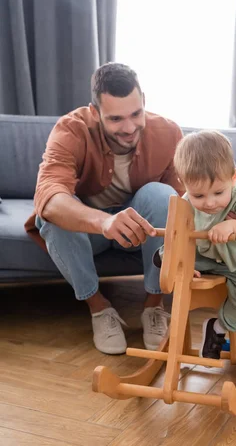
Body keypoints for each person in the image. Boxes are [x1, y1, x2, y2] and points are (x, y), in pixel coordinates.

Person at [25, 63, 184, 355]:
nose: (129, 127)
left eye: (136, 114)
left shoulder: (169, 133)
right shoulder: (71, 129)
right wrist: (104, 223)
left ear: (144, 101)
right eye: (116, 119)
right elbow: (49, 196)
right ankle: (99, 309)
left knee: (165, 197)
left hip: (143, 234)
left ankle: (154, 307)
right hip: (91, 235)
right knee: (51, 217)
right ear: (95, 113)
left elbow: (187, 204)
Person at [153, 130, 236, 359]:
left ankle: (217, 328)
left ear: (233, 177)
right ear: (183, 184)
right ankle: (166, 256)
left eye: (218, 192)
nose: (209, 203)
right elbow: (179, 234)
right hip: (205, 256)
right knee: (175, 247)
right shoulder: (185, 202)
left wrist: (234, 227)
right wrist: (180, 260)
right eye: (199, 196)